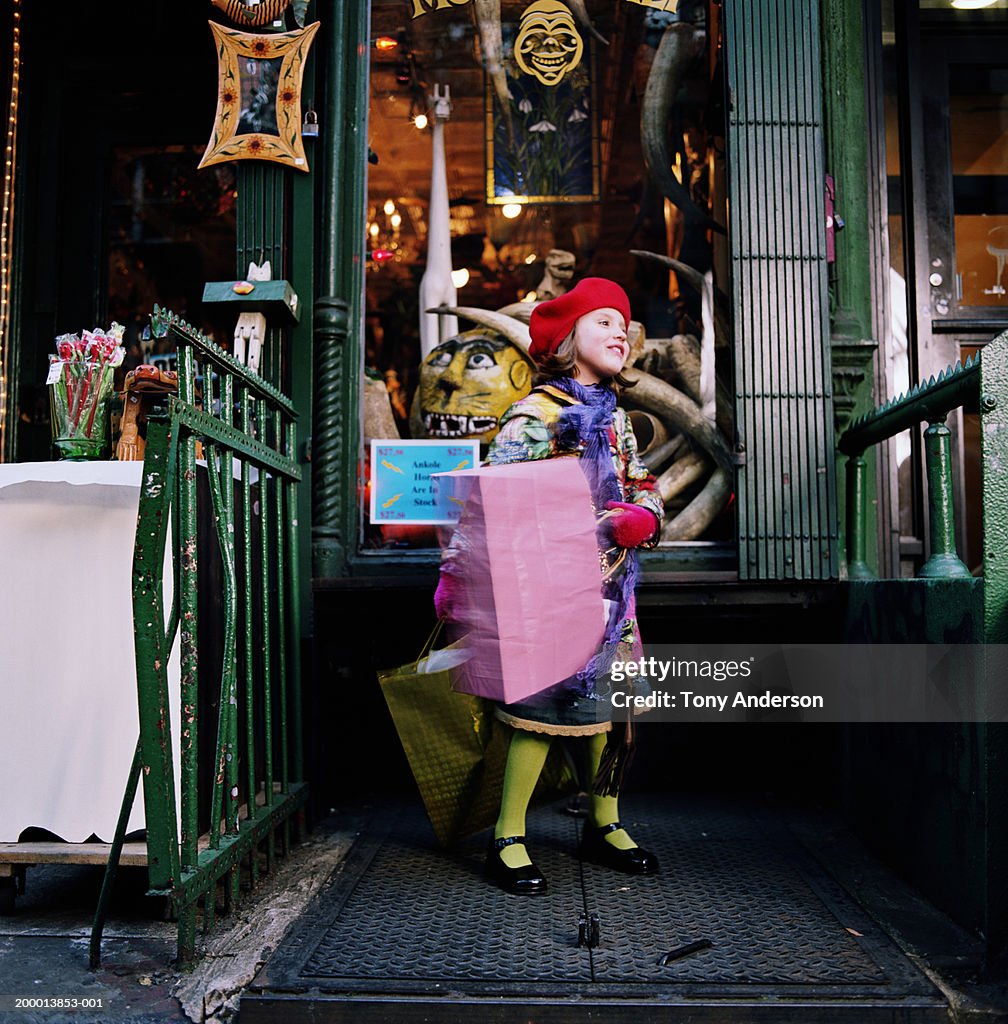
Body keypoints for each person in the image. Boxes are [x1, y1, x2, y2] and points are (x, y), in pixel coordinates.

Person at [434, 277, 664, 895]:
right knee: (538, 713)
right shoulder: (536, 414)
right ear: (566, 339)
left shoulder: (616, 422)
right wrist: (457, 575)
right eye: (603, 321)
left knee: (608, 712)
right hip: (547, 591)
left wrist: (643, 514)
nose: (620, 331)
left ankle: (604, 821)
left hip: (612, 594)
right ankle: (506, 836)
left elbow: (641, 484)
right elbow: (493, 499)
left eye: (624, 323)